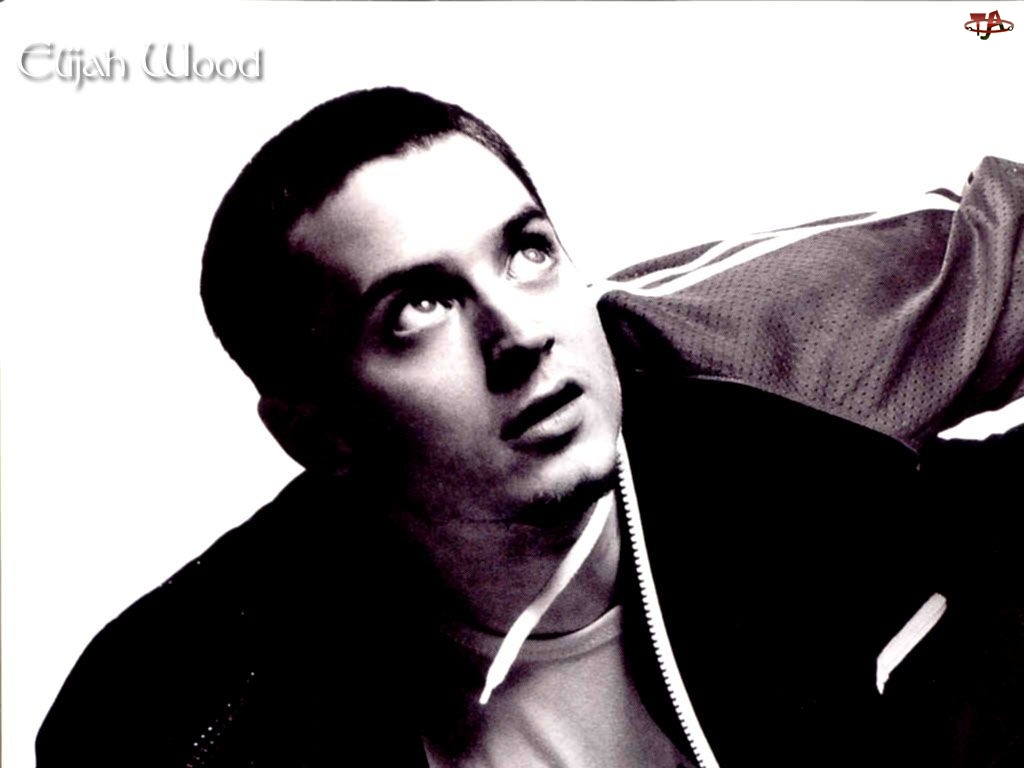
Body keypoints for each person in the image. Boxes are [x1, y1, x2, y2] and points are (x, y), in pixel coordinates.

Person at [37, 87, 1024, 768]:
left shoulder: (751, 373)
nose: (520, 336)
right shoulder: (188, 714)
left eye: (527, 252)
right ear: (316, 432)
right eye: (417, 309)